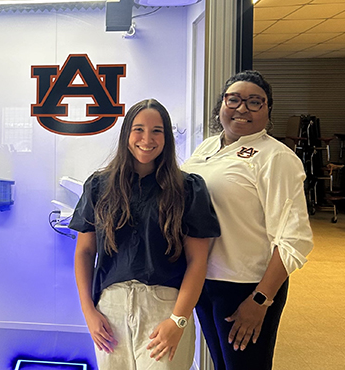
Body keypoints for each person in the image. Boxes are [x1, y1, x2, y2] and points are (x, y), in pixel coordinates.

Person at [70, 98, 220, 370]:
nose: (146, 139)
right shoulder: (99, 186)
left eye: (157, 131)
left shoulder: (187, 188)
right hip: (110, 310)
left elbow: (198, 261)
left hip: (164, 308)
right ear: (127, 133)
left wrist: (179, 320)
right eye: (138, 129)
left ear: (167, 138)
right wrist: (89, 311)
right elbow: (84, 252)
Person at [181, 70, 314, 370]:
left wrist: (260, 300)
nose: (242, 108)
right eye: (234, 100)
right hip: (205, 281)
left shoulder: (275, 158)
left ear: (268, 111)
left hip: (246, 287)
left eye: (255, 102)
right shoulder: (207, 148)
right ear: (220, 106)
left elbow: (294, 240)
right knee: (221, 365)